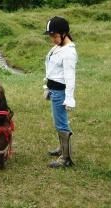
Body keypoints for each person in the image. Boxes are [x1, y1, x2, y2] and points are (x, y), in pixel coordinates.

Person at [43, 16, 78, 168]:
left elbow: (70, 77)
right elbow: (51, 68)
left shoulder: (69, 53)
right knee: (58, 122)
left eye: (55, 36)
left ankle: (66, 158)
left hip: (60, 92)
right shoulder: (58, 48)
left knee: (62, 123)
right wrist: (47, 87)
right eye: (51, 36)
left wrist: (69, 98)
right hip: (54, 90)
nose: (53, 39)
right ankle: (62, 149)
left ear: (64, 34)